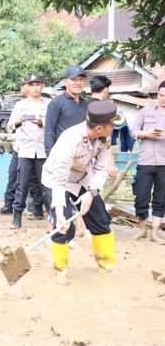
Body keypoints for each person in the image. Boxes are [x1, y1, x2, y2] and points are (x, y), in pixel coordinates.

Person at [41, 100, 125, 285]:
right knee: (64, 226)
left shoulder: (104, 138)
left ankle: (106, 264)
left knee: (100, 220)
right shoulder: (69, 140)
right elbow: (59, 181)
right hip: (56, 181)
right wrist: (60, 212)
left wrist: (92, 192)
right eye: (112, 124)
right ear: (99, 128)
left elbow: (102, 169)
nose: (114, 127)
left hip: (83, 179)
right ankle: (60, 270)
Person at [6, 73, 51, 229]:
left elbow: (52, 125)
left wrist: (41, 122)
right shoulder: (20, 104)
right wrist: (17, 123)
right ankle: (17, 216)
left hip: (43, 150)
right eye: (31, 85)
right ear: (28, 87)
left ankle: (53, 216)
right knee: (22, 184)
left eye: (37, 84)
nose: (35, 88)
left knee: (46, 184)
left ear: (42, 86)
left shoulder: (48, 104)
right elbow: (9, 126)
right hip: (25, 149)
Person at [129, 81, 165, 244]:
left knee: (161, 198)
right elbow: (133, 131)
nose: (163, 99)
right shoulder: (146, 111)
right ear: (157, 95)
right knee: (141, 196)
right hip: (146, 161)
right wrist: (147, 134)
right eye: (161, 95)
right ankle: (142, 230)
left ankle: (155, 233)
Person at [44, 65, 89, 155]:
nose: (78, 83)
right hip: (62, 154)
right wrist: (50, 156)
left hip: (82, 154)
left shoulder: (86, 104)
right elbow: (49, 132)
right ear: (65, 82)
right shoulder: (56, 103)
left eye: (81, 79)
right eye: (74, 79)